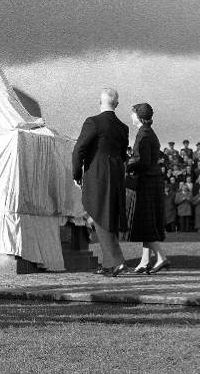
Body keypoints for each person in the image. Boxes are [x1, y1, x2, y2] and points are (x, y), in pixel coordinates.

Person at [72, 88, 129, 277]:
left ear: (100, 102)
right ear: (117, 105)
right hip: (117, 174)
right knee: (109, 216)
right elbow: (122, 155)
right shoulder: (123, 127)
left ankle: (116, 261)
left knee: (99, 214)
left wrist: (76, 173)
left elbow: (79, 148)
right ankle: (108, 264)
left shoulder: (93, 122)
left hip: (97, 173)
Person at [126, 103, 169, 274]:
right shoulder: (148, 132)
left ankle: (161, 258)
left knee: (145, 222)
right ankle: (145, 261)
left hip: (146, 181)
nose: (131, 116)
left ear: (138, 116)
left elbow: (140, 160)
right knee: (148, 221)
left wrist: (125, 165)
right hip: (153, 179)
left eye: (133, 113)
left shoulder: (142, 134)